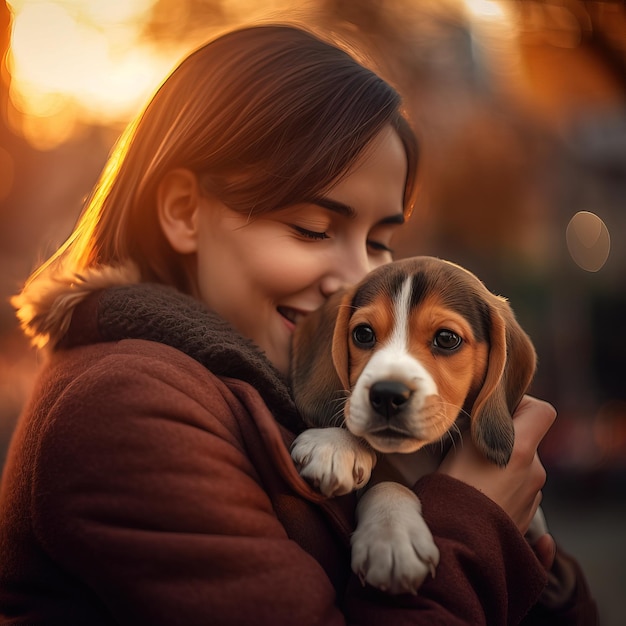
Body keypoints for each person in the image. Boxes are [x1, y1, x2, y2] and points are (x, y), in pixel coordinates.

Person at [0, 24, 597, 625]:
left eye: (381, 240)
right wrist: (474, 518)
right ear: (184, 212)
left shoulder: (283, 386)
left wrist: (542, 569)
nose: (355, 280)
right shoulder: (125, 402)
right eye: (312, 229)